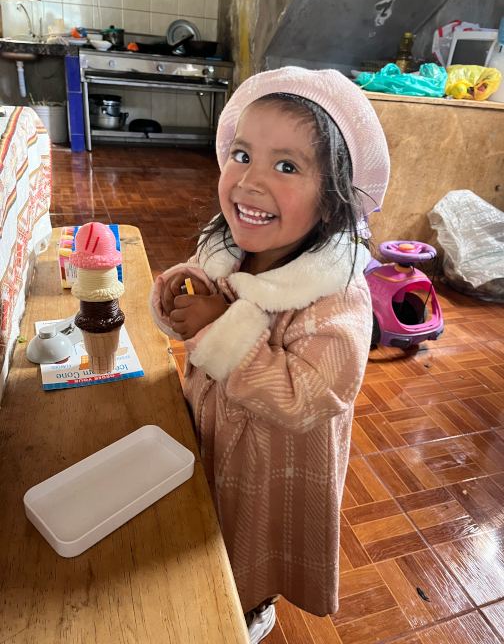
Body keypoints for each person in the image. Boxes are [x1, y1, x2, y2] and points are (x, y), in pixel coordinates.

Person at [149, 67, 389, 643]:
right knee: (208, 526)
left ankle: (251, 612)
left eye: (286, 166)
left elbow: (308, 399)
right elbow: (202, 302)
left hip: (272, 466)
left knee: (253, 543)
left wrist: (216, 331)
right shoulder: (233, 246)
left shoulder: (336, 297)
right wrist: (179, 296)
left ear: (334, 202)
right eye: (240, 154)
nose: (250, 181)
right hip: (213, 432)